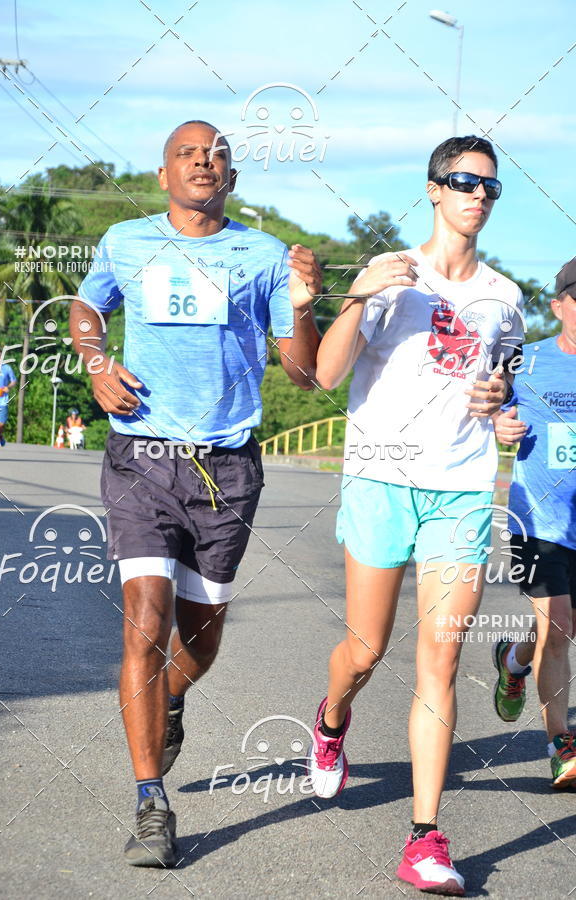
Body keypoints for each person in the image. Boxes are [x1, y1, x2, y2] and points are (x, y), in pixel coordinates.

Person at [70, 119, 321, 868]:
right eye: (188, 153)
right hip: (141, 459)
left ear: (233, 178)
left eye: (217, 155)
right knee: (143, 625)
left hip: (229, 468)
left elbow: (304, 373)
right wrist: (94, 360)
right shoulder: (125, 239)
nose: (204, 162)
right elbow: (87, 307)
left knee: (200, 640)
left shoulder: (266, 255)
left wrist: (305, 305)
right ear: (163, 174)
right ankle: (152, 802)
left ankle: (172, 697)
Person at [307, 135, 523, 896]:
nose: (477, 195)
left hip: (461, 490)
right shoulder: (391, 276)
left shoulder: (505, 297)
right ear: (433, 189)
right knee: (365, 652)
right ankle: (331, 720)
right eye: (463, 182)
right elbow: (325, 375)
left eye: (490, 187)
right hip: (378, 481)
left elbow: (505, 392)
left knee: (442, 657)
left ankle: (424, 837)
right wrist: (361, 290)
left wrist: (504, 415)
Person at [491, 258, 576, 788]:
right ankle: (561, 744)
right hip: (539, 520)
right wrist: (498, 423)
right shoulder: (524, 359)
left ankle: (514, 660)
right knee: (561, 626)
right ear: (559, 304)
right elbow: (483, 412)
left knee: (560, 627)